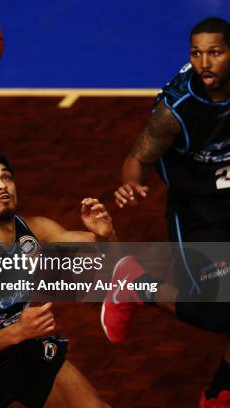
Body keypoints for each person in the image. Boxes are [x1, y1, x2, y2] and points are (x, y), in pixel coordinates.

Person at [101, 16, 230, 406]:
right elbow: (137, 158)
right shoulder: (177, 109)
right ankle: (135, 284)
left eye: (215, 52)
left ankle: (220, 393)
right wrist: (130, 183)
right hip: (198, 213)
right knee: (218, 313)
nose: (204, 63)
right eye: (196, 53)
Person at [0, 151, 113, 408]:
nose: (1, 185)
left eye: (6, 177)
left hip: (26, 349)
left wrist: (105, 234)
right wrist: (16, 331)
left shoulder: (35, 230)